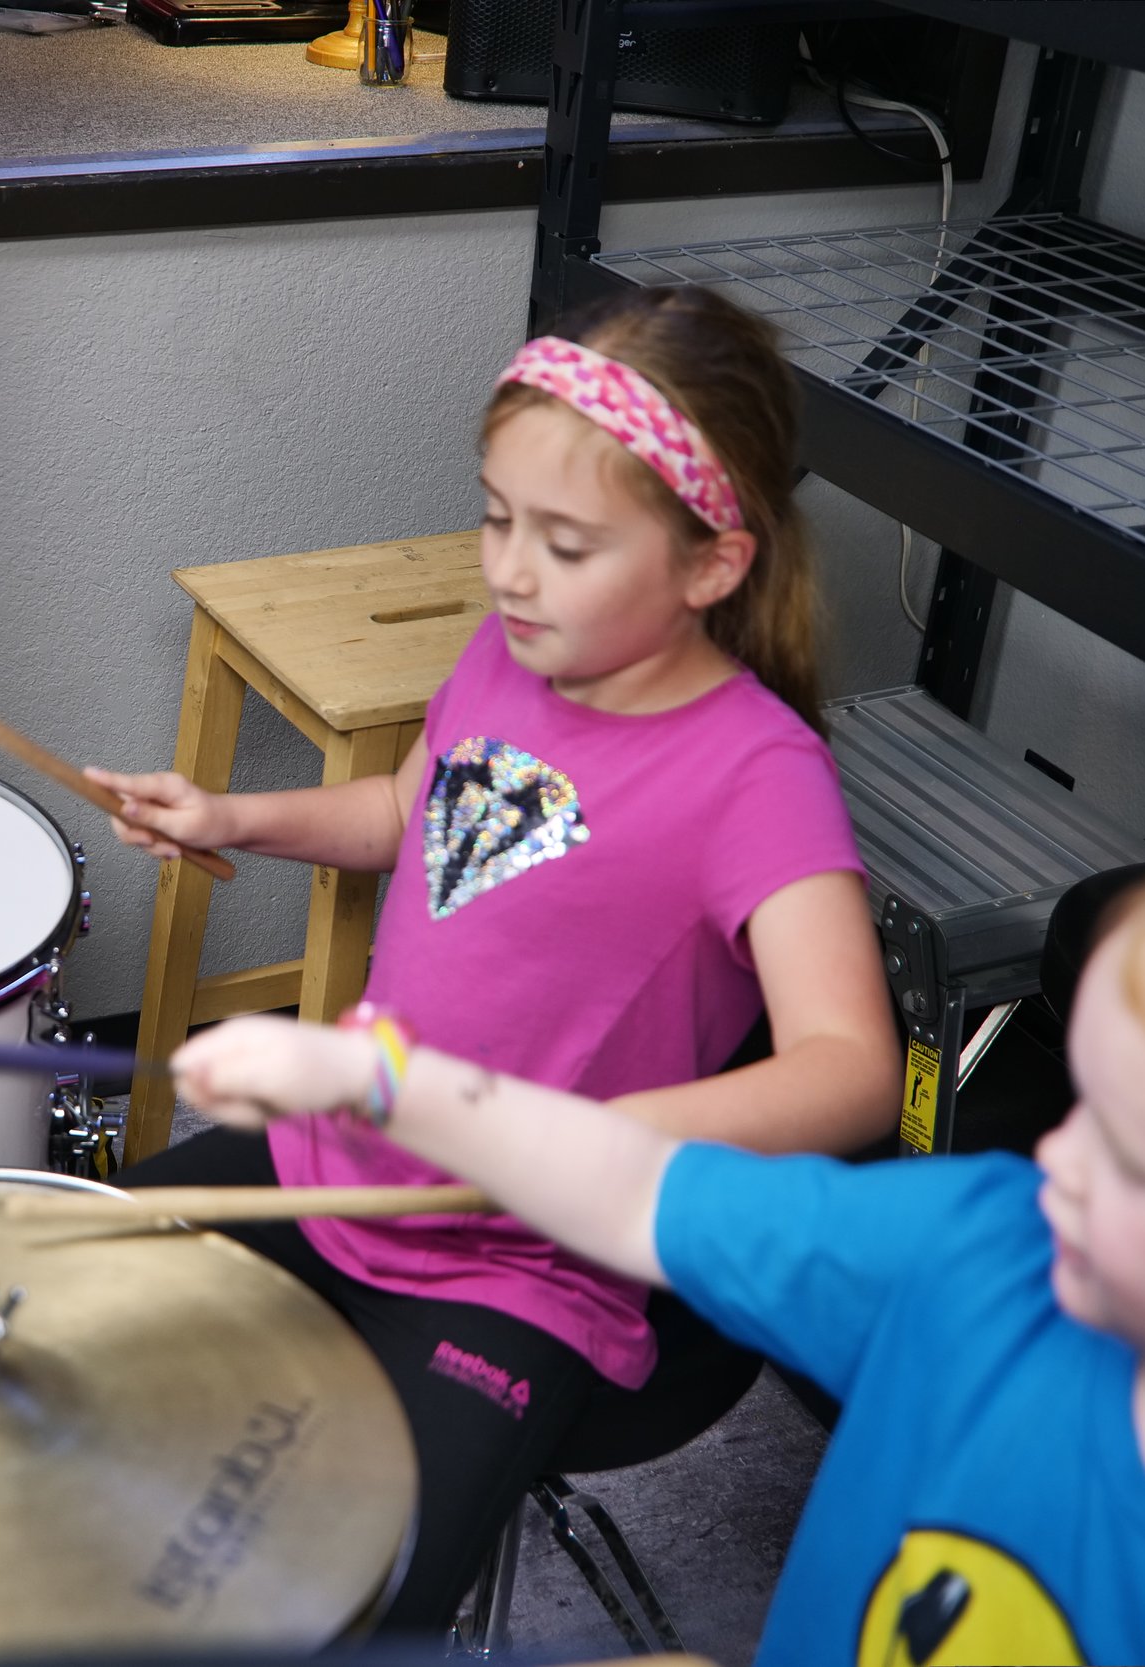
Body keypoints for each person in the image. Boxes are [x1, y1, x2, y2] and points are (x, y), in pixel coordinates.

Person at [88, 285, 900, 1629]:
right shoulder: (509, 655)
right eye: (496, 516)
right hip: (328, 1154)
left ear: (710, 564)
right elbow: (407, 817)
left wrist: (575, 1135)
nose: (510, 569)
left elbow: (853, 1066)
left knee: (342, 1600)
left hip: (521, 1259)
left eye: (565, 542)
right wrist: (231, 816)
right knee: (49, 1309)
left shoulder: (761, 775)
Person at [171, 818, 1145, 1666]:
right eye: (1080, 1106)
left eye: (1140, 1165)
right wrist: (379, 1080)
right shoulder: (986, 1246)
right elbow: (635, 1186)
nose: (1057, 1155)